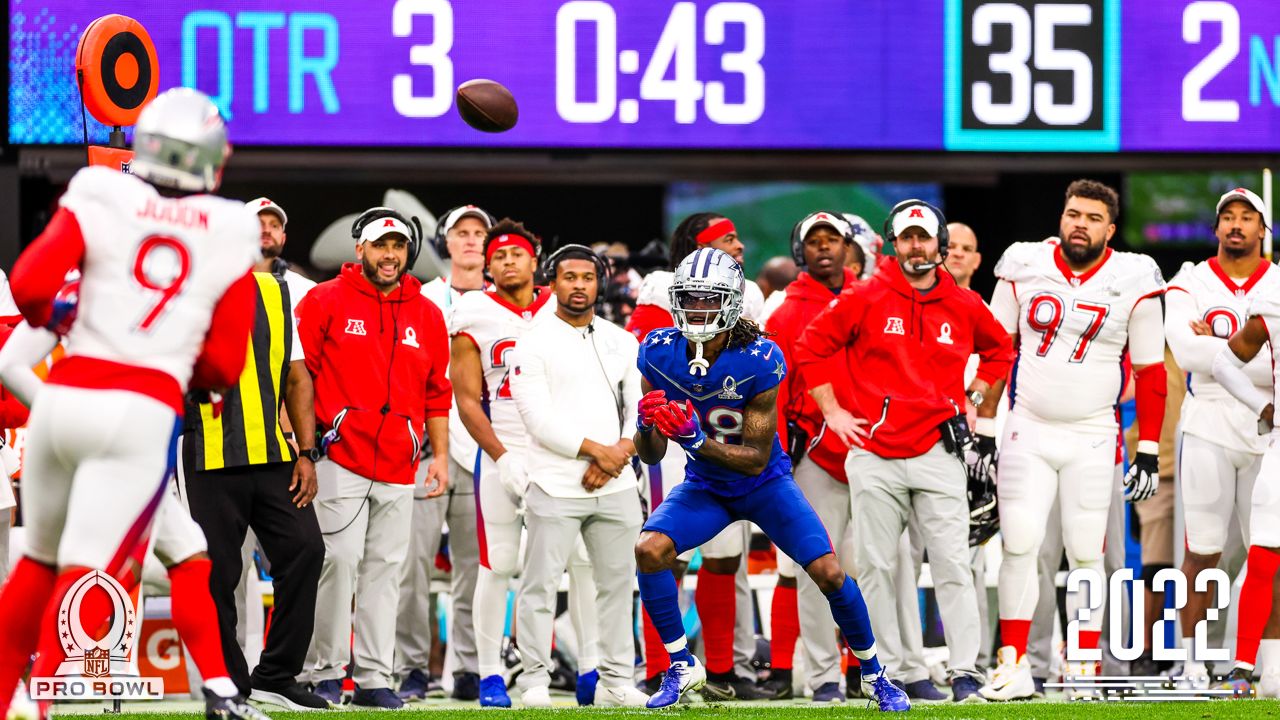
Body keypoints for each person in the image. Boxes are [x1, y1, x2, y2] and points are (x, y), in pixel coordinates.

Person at [0, 88, 266, 720]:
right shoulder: (230, 228)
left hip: (67, 400)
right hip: (141, 411)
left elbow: (32, 285)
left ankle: (218, 692)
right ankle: (34, 709)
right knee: (83, 570)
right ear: (212, 159)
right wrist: (185, 375)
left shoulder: (102, 192)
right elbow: (223, 365)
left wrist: (63, 315)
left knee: (38, 565)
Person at [633, 246, 911, 712]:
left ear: (731, 302)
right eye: (690, 299)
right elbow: (653, 454)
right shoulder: (659, 353)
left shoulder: (758, 358)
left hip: (764, 486)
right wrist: (645, 426)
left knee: (828, 571)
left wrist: (697, 441)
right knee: (649, 549)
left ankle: (875, 675)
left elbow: (756, 459)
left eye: (709, 299)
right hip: (705, 486)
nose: (698, 310)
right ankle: (682, 665)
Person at [795, 201, 1012, 703]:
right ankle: (886, 672)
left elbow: (1001, 349)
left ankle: (965, 673)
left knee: (954, 563)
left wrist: (974, 399)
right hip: (873, 450)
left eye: (925, 237)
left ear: (938, 243)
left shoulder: (962, 302)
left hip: (939, 447)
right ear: (894, 243)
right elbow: (809, 348)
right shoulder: (866, 296)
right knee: (875, 567)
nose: (917, 246)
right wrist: (832, 412)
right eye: (907, 238)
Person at [979, 180, 1166, 700]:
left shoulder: (1135, 276)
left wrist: (1147, 449)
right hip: (1028, 427)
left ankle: (1083, 665)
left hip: (1092, 432)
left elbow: (1152, 371)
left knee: (1087, 552)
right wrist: (986, 428)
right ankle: (1013, 664)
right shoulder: (1023, 263)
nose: (1079, 223)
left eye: (1091, 217)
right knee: (1018, 545)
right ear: (1060, 217)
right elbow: (996, 349)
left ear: (1110, 228)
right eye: (1072, 213)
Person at [298, 207, 452, 709]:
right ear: (359, 248)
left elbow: (436, 393)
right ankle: (323, 672)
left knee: (386, 572)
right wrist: (302, 448)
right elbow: (299, 379)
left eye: (399, 246)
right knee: (337, 565)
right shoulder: (325, 299)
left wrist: (441, 456)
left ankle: (371, 677)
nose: (390, 255)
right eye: (381, 245)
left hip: (399, 462)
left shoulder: (427, 311)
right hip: (338, 455)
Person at [450, 220, 602, 708]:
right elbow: (467, 399)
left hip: (562, 451)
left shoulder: (562, 303)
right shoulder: (473, 310)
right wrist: (500, 454)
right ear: (487, 265)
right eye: (498, 255)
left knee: (581, 562)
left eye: (517, 253)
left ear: (536, 261)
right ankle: (491, 673)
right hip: (507, 450)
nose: (508, 261)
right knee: (499, 564)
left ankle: (591, 668)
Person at [628, 214, 771, 701]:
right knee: (667, 555)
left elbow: (754, 364)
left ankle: (724, 669)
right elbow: (648, 360)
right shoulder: (661, 289)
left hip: (722, 431)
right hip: (675, 431)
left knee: (727, 556)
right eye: (726, 238)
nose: (738, 245)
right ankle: (663, 666)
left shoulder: (747, 291)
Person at [179, 266, 327, 710]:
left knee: (306, 549)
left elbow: (297, 376)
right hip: (207, 449)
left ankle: (277, 675)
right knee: (217, 572)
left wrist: (306, 451)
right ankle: (229, 685)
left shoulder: (275, 292)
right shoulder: (180, 286)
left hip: (273, 451)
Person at [509, 245, 647, 707]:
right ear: (552, 283)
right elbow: (536, 418)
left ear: (599, 283)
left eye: (588, 277)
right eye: (569, 277)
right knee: (539, 587)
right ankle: (533, 682)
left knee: (617, 586)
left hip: (618, 484)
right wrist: (599, 454)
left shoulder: (622, 340)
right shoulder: (532, 341)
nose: (579, 285)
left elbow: (641, 409)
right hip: (553, 482)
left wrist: (621, 452)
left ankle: (615, 682)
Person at [1164, 186, 1278, 688]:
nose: (1236, 225)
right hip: (1208, 419)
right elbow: (1187, 355)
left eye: (1247, 217)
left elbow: (1209, 351)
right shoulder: (1189, 279)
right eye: (1227, 217)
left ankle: (1264, 660)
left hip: (1267, 429)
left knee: (1268, 552)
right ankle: (1192, 659)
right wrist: (1233, 356)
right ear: (1215, 229)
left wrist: (1212, 339)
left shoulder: (1276, 284)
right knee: (1203, 549)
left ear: (1262, 230)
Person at [398, 204, 493, 701]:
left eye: (481, 233)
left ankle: (470, 667)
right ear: (445, 241)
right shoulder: (421, 297)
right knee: (409, 566)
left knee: (474, 568)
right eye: (463, 232)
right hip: (423, 448)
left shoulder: (504, 302)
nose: (473, 240)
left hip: (482, 451)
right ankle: (411, 667)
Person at [1206, 188, 1280, 698]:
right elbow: (1222, 363)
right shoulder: (1273, 296)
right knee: (1264, 556)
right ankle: (1241, 669)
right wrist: (1262, 407)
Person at [248, 198, 315, 313]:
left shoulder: (306, 290)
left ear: (283, 239)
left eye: (274, 226)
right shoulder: (221, 283)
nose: (267, 230)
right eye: (259, 224)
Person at [943, 223, 981, 290]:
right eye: (950, 247)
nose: (959, 254)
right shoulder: (918, 299)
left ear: (976, 260)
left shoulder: (979, 301)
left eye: (967, 249)